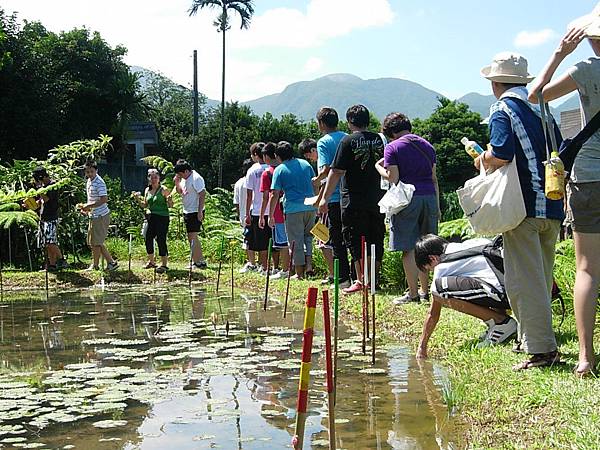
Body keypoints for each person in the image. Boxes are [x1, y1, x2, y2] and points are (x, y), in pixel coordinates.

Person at [477, 52, 564, 370]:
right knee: (540, 278)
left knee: (523, 282)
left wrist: (483, 158)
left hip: (523, 207)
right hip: (552, 204)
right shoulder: (542, 106)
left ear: (496, 83)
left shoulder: (502, 109)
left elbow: (500, 153)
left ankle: (542, 352)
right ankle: (533, 340)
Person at [528, 6, 600, 376]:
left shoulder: (586, 69)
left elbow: (536, 95)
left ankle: (586, 357)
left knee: (587, 268)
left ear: (589, 35)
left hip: (589, 177)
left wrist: (559, 54)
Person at [414, 234, 517, 359]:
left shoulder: (443, 266)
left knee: (439, 291)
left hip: (506, 294)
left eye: (429, 269)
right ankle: (498, 322)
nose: (432, 272)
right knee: (482, 281)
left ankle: (502, 323)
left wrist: (422, 347)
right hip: (520, 289)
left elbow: (433, 313)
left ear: (433, 259)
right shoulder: (471, 243)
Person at [319, 104, 385, 294]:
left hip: (353, 199)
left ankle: (361, 280)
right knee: (376, 238)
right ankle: (373, 280)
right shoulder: (379, 140)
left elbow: (337, 171)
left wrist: (324, 198)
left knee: (356, 239)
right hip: (377, 198)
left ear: (349, 122)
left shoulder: (348, 141)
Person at [375, 112, 440, 304]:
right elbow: (434, 178)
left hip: (407, 199)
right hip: (429, 196)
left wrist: (378, 167)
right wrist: (436, 205)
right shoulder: (428, 146)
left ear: (391, 132)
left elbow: (393, 178)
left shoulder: (392, 147)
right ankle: (425, 291)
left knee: (409, 248)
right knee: (427, 246)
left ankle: (412, 294)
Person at [314, 107, 351, 288]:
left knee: (336, 240)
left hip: (334, 196)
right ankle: (356, 276)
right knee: (351, 239)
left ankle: (342, 278)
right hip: (350, 195)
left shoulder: (323, 142)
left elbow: (326, 169)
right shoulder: (347, 137)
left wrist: (317, 181)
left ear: (321, 123)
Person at [269, 141, 316, 279]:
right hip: (311, 206)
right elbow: (315, 184)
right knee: (308, 238)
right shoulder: (305, 164)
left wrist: (270, 215)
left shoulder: (280, 169)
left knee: (296, 241)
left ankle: (299, 273)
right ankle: (309, 266)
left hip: (293, 209)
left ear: (278, 156)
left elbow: (275, 194)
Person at [300, 137, 332, 283]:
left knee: (323, 241)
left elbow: (325, 183)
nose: (310, 159)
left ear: (313, 150)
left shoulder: (322, 162)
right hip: (334, 202)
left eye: (309, 155)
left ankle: (333, 274)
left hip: (328, 204)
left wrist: (319, 201)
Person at [80, 160, 118, 271]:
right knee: (93, 242)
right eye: (87, 172)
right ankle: (99, 264)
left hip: (101, 215)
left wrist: (89, 206)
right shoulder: (89, 181)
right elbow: (91, 199)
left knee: (97, 242)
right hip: (94, 215)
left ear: (96, 170)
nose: (89, 174)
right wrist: (87, 210)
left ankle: (109, 263)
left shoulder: (99, 182)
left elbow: (104, 199)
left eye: (92, 171)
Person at [259, 142, 289, 278]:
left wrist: (262, 215)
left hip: (277, 212)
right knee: (293, 240)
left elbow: (266, 196)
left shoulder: (267, 173)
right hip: (291, 210)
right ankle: (294, 268)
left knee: (281, 242)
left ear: (266, 156)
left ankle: (284, 270)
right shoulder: (286, 168)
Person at [133, 169, 173, 274]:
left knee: (161, 239)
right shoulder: (147, 190)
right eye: (151, 177)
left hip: (162, 217)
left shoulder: (163, 189)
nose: (154, 179)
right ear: (149, 179)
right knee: (148, 237)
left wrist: (169, 200)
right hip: (151, 217)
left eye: (155, 177)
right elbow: (145, 205)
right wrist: (137, 199)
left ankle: (164, 264)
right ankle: (151, 261)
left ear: (159, 178)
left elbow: (170, 205)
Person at [30, 167, 67, 271]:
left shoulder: (52, 186)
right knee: (46, 244)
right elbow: (40, 202)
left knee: (50, 241)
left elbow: (46, 199)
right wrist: (30, 204)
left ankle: (62, 260)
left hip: (51, 217)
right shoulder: (44, 187)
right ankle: (52, 265)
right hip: (43, 217)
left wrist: (39, 190)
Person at [173, 159, 206, 269]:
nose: (180, 176)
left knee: (193, 236)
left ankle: (198, 261)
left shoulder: (196, 178)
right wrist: (177, 183)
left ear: (186, 171)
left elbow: (202, 194)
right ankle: (198, 260)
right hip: (187, 210)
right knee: (191, 236)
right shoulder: (183, 179)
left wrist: (200, 211)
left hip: (195, 210)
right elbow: (180, 191)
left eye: (180, 174)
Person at [243, 142, 270, 274]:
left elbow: (249, 194)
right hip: (272, 210)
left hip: (258, 209)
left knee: (259, 241)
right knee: (271, 240)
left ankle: (263, 266)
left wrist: (247, 213)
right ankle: (269, 266)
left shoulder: (252, 170)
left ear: (255, 154)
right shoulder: (272, 167)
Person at [234, 159, 254, 271]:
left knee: (247, 240)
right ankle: (259, 263)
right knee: (257, 240)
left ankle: (251, 262)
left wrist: (240, 215)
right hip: (255, 213)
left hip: (244, 215)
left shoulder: (239, 183)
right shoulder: (256, 180)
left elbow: (236, 202)